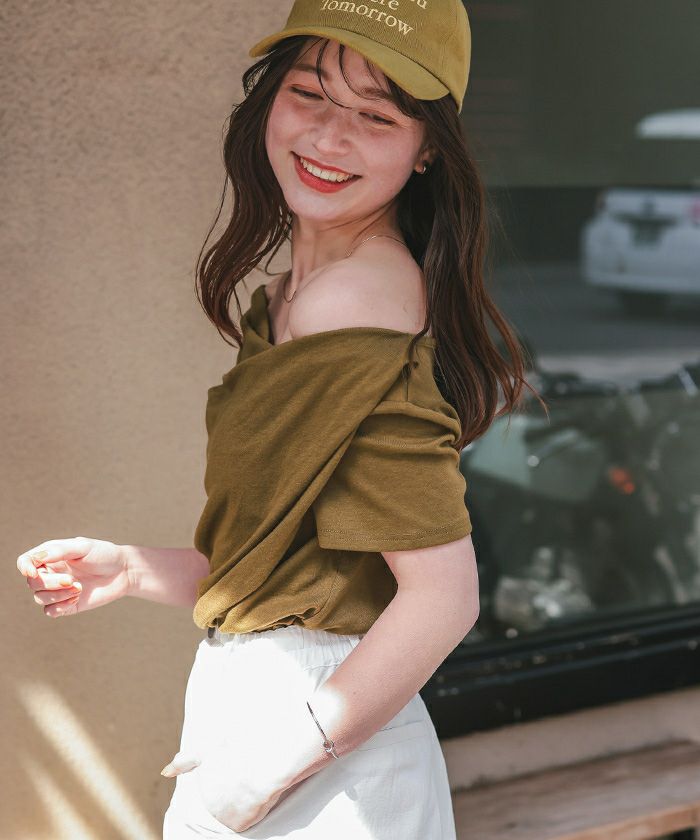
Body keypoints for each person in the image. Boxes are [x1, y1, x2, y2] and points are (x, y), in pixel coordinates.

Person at [17, 0, 542, 837]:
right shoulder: (293, 296)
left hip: (318, 756)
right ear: (271, 96)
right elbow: (285, 571)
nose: (330, 137)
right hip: (292, 730)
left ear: (427, 149)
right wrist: (130, 570)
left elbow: (443, 598)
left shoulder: (354, 301)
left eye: (376, 115)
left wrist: (255, 776)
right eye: (309, 94)